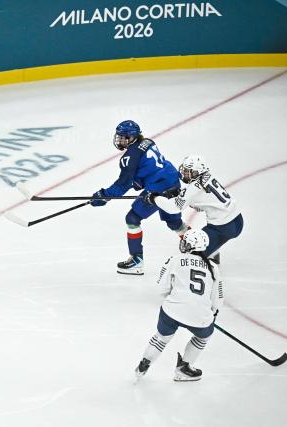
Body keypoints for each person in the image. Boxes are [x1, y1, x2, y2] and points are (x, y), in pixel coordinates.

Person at [90, 120, 187, 275]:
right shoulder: (148, 142)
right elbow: (146, 170)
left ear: (133, 137)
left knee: (132, 219)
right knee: (174, 222)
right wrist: (138, 183)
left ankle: (136, 260)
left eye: (124, 137)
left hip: (157, 189)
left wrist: (103, 196)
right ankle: (203, 249)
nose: (120, 140)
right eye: (119, 137)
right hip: (172, 181)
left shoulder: (129, 158)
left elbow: (123, 185)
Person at [135, 229, 223, 382]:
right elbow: (217, 301)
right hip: (200, 317)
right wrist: (211, 315)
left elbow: (161, 289)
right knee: (203, 337)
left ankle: (145, 362)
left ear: (189, 245)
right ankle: (184, 368)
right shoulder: (213, 268)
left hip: (171, 311)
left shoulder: (175, 260)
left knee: (162, 337)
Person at [145, 154, 243, 263]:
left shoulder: (194, 189)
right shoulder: (207, 176)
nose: (184, 173)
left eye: (187, 171)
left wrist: (154, 198)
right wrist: (181, 195)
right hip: (237, 219)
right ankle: (212, 252)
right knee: (202, 241)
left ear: (196, 172)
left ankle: (207, 257)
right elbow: (202, 201)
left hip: (223, 227)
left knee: (192, 254)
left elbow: (173, 208)